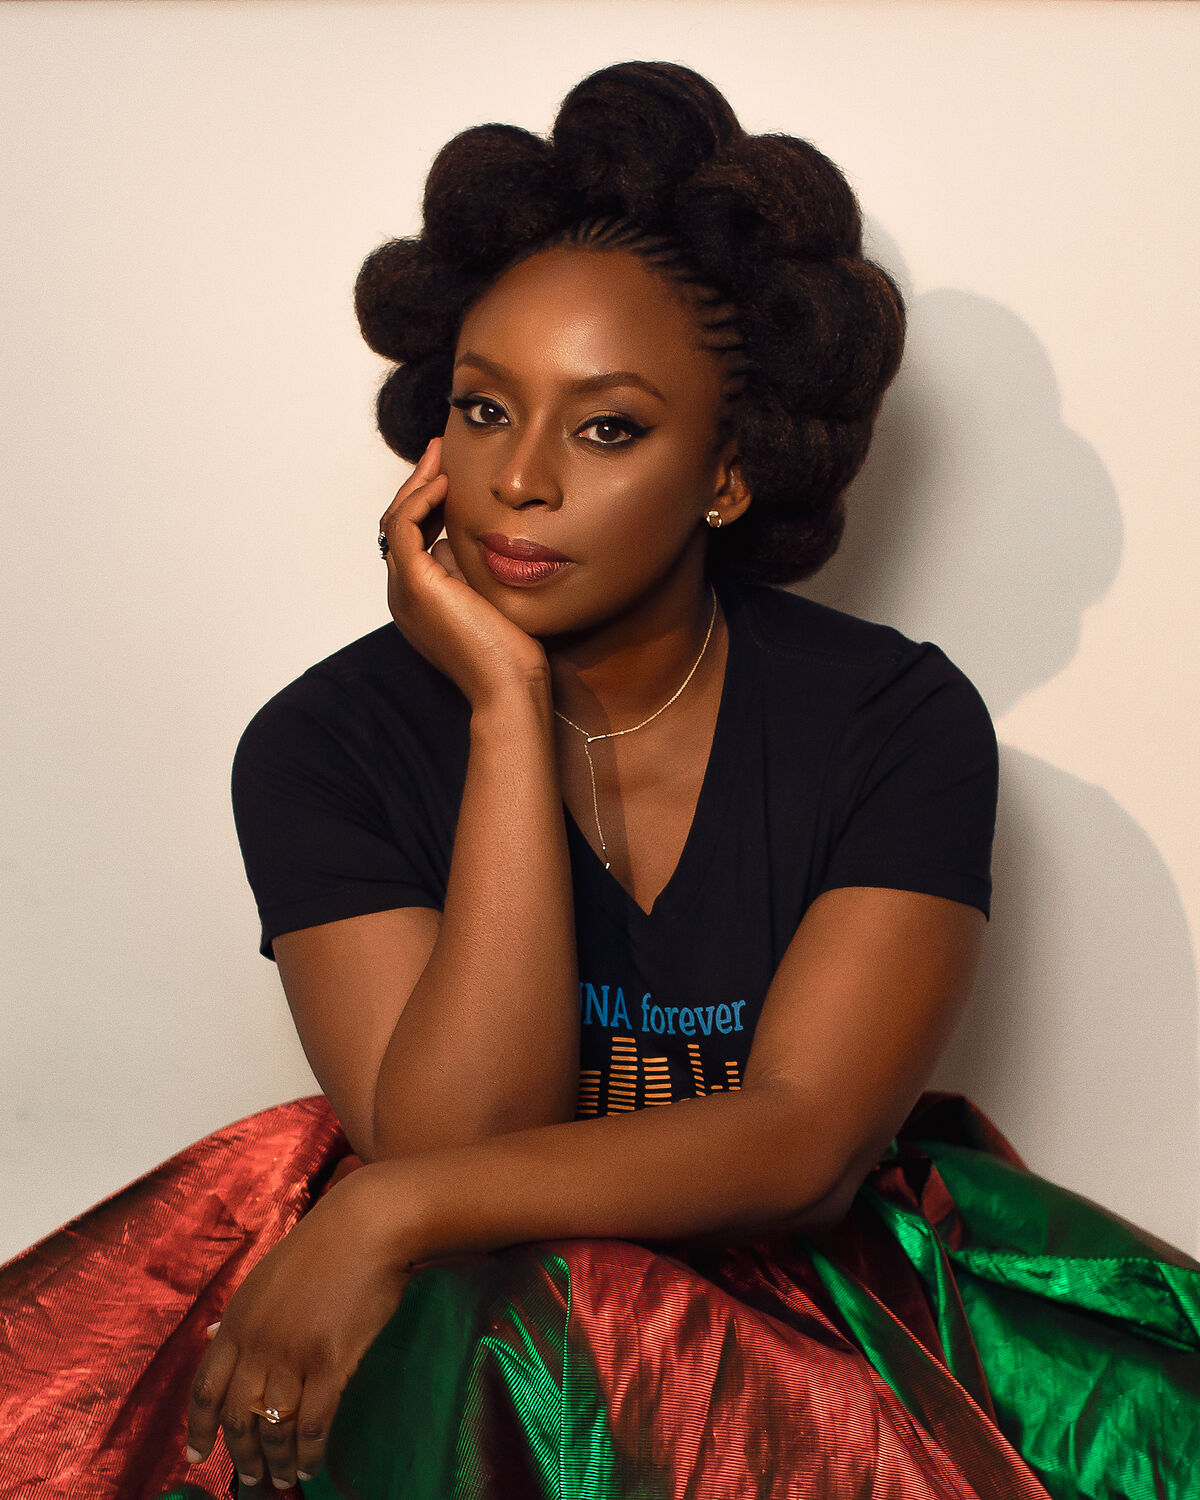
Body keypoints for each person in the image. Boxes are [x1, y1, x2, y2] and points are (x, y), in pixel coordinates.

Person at [2, 60, 1197, 1500]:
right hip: (460, 1309)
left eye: (608, 426)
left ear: (729, 474)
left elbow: (805, 1141)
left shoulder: (892, 718)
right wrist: (506, 708)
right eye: (484, 411)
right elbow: (455, 1142)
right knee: (480, 1337)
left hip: (810, 1299)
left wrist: (388, 1210)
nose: (522, 479)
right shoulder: (324, 743)